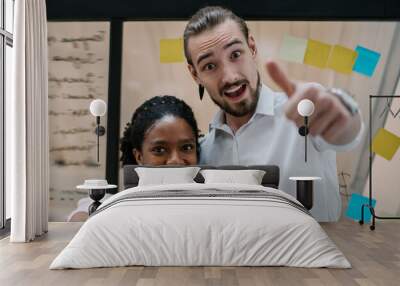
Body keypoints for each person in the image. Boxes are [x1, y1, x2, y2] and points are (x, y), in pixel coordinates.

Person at [183, 6, 364, 221]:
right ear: (195, 74)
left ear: (252, 48)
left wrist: (343, 117)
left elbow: (347, 134)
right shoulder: (204, 151)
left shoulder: (304, 110)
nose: (230, 77)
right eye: (210, 66)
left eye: (235, 54)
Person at [68, 95, 200, 221]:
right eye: (159, 150)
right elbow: (81, 215)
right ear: (139, 156)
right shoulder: (115, 204)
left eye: (187, 147)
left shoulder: (210, 199)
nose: (175, 160)